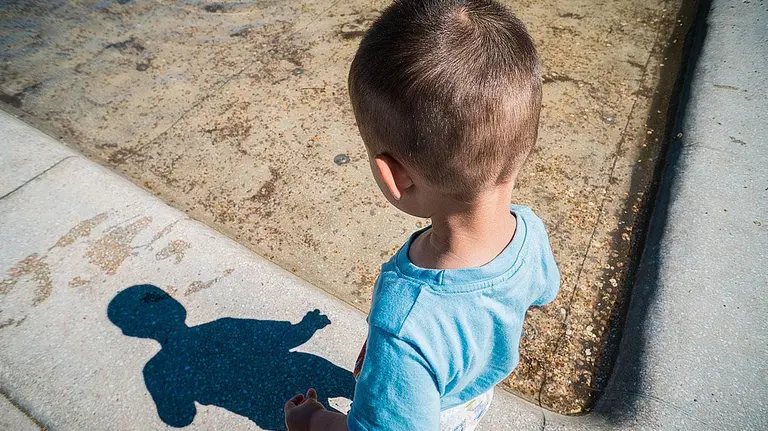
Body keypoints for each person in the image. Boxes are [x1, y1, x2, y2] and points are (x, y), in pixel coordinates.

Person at [284, 0, 560, 429]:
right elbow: (543, 292)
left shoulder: (406, 324)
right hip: (473, 393)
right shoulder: (528, 231)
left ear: (395, 176)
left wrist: (314, 422)